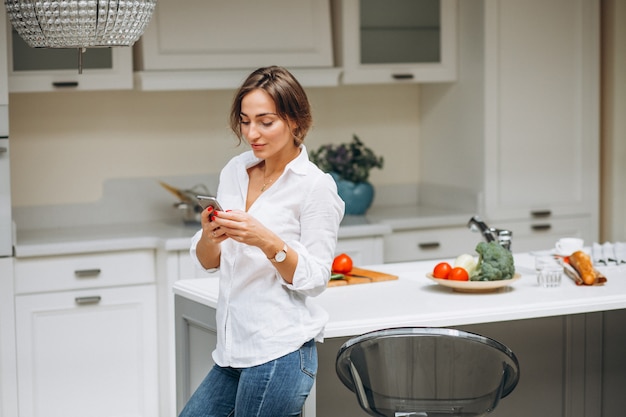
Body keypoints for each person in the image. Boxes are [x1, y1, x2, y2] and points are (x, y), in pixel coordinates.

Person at [180, 66, 345, 417]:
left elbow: (316, 279)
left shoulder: (315, 187)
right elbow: (209, 260)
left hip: (280, 352)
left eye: (265, 121)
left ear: (296, 122)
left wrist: (266, 240)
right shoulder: (235, 171)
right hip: (232, 350)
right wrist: (210, 236)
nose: (251, 133)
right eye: (244, 121)